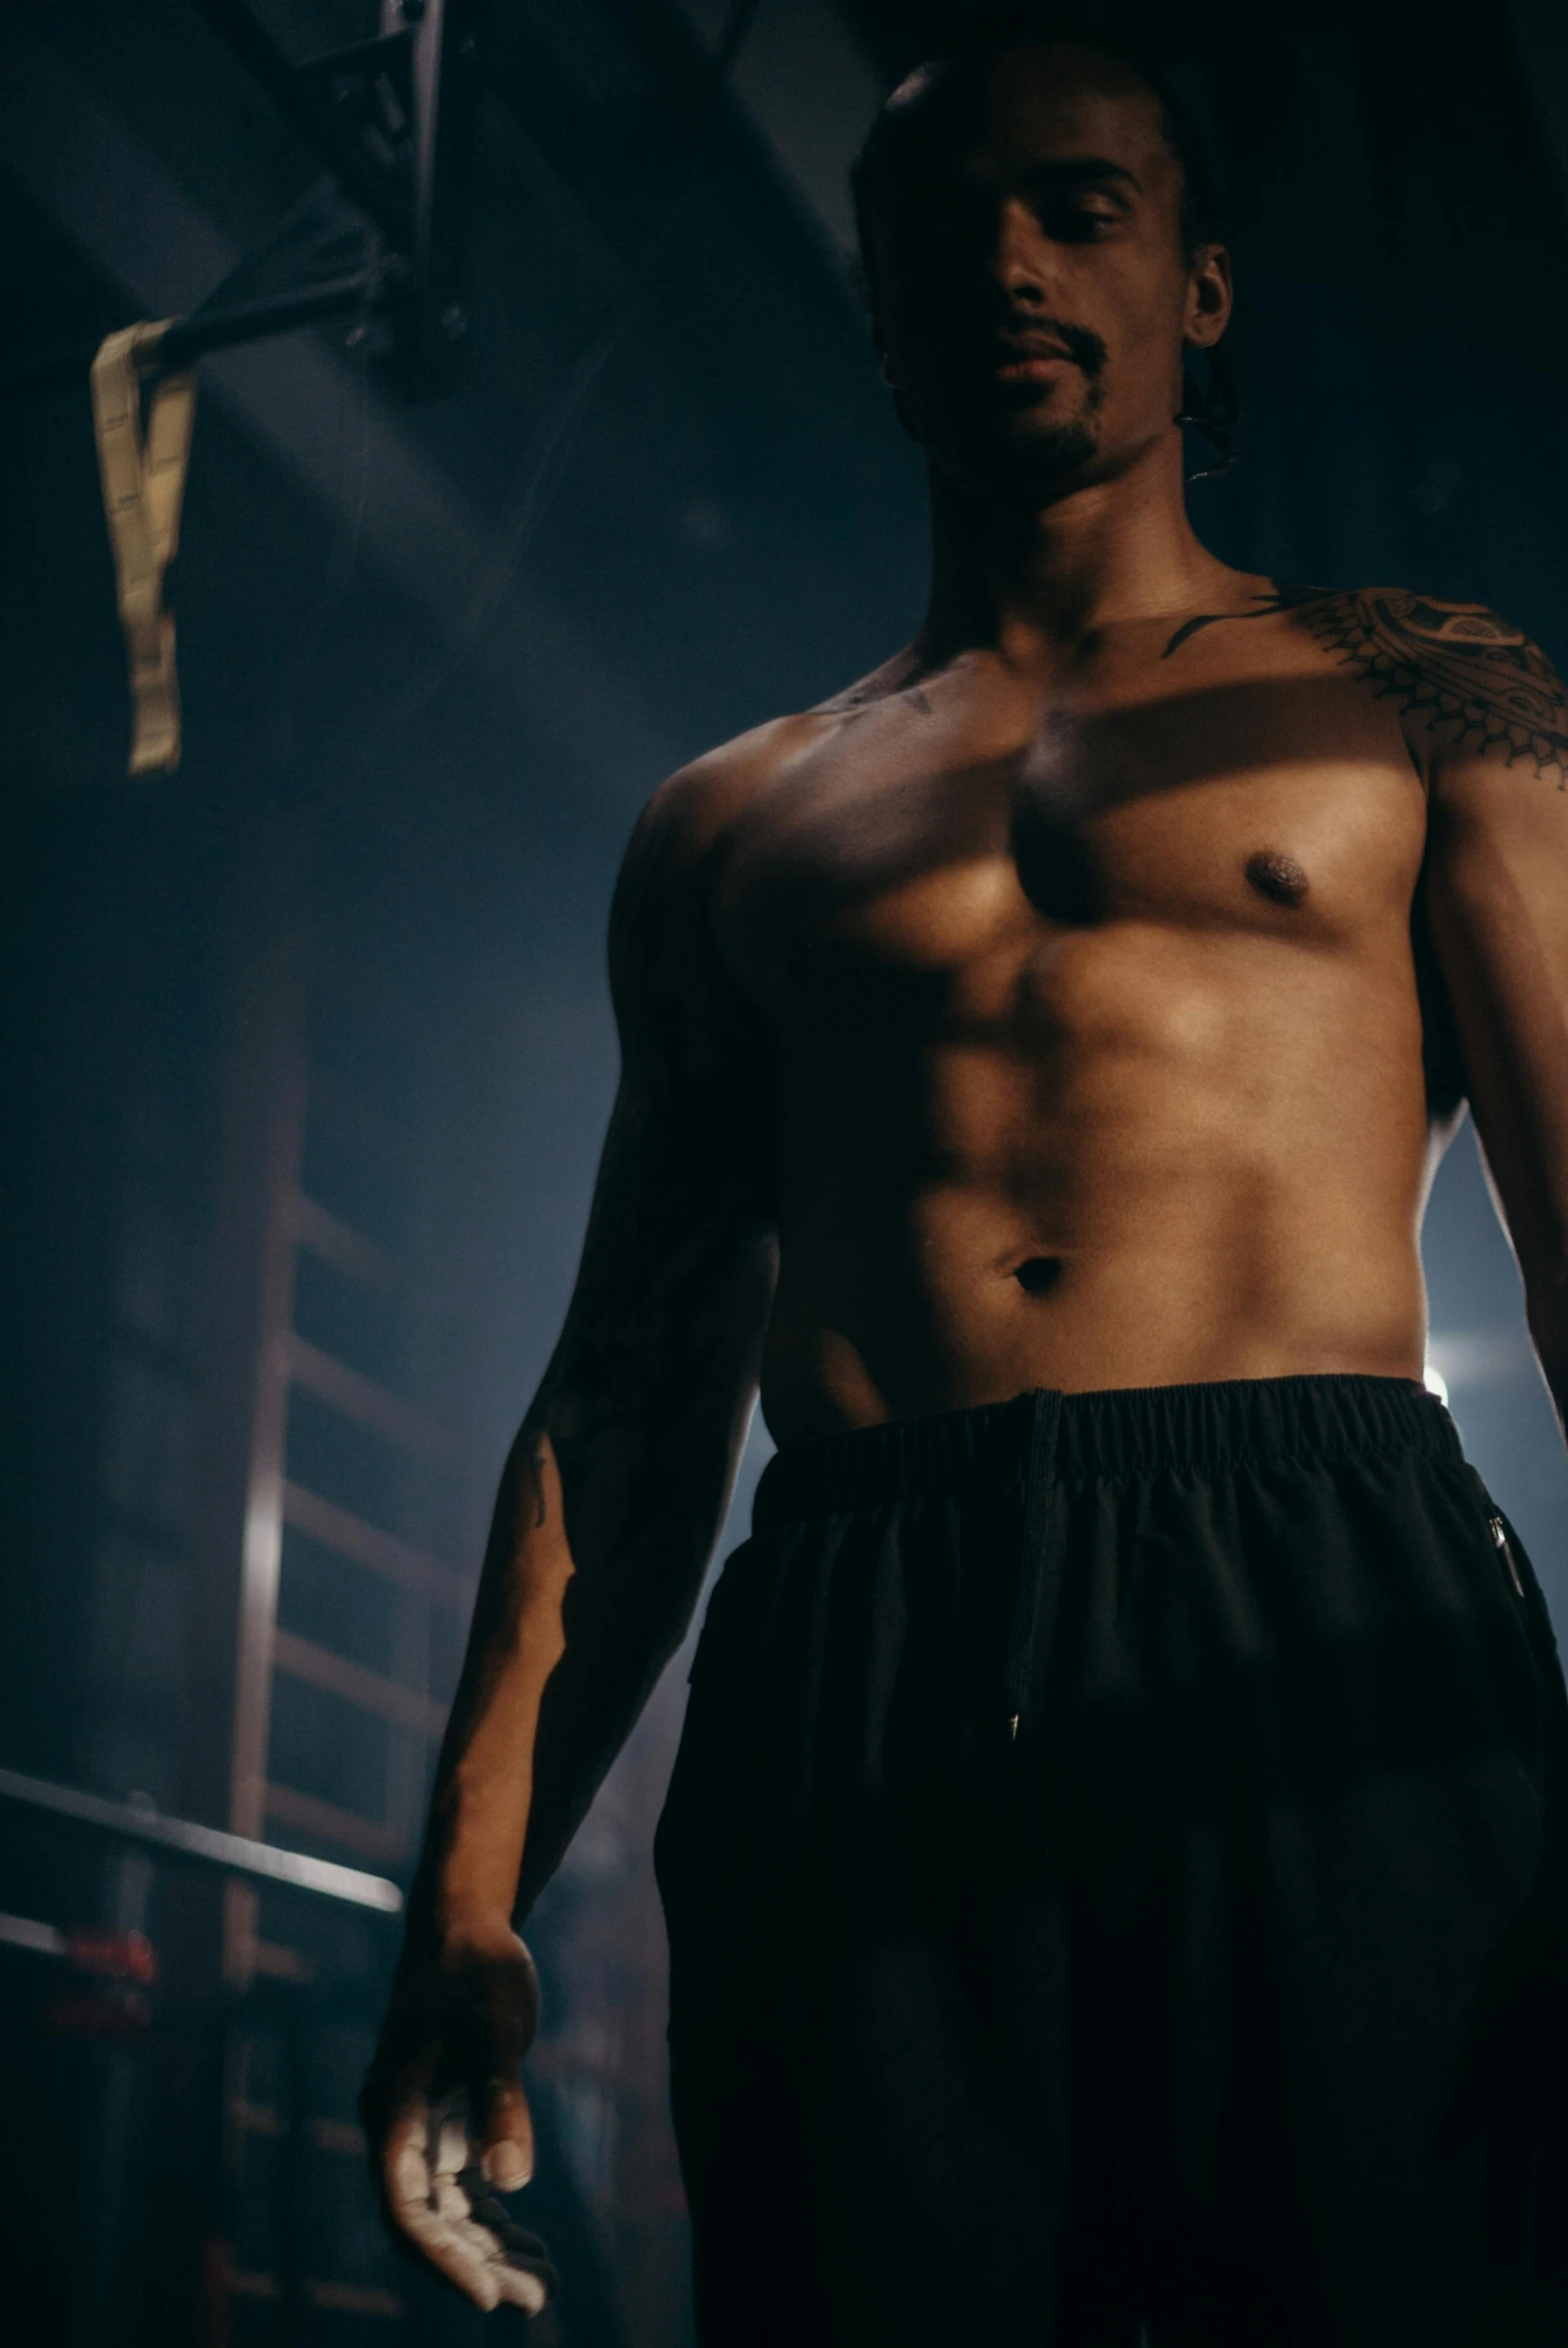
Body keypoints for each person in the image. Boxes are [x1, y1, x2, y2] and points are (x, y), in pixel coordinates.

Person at [361, 14, 1568, 2341]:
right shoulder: (732, 818)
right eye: (941, 226)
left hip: (1313, 1578)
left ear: (1198, 283)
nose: (1006, 261)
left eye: (1075, 209)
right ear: (877, 305)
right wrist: (466, 1891)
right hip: (864, 1635)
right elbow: (624, 1385)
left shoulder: (1430, 692)